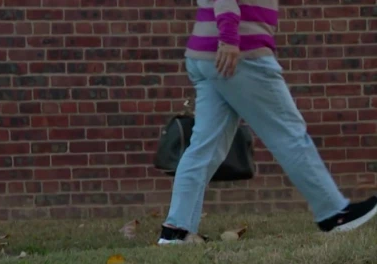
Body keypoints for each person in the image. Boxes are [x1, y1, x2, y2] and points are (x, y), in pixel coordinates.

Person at [157, 0, 377, 245]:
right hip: (239, 53)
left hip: (206, 53)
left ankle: (176, 231)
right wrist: (229, 36)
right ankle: (334, 214)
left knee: (204, 146)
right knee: (289, 133)